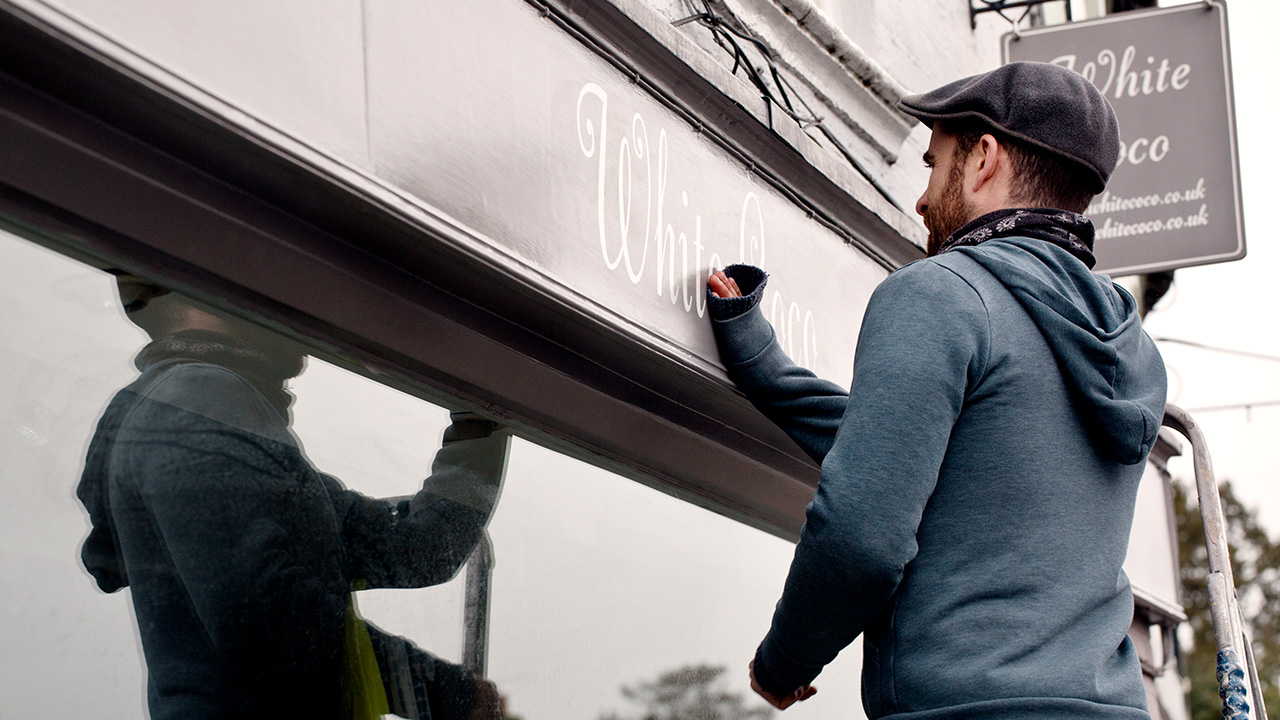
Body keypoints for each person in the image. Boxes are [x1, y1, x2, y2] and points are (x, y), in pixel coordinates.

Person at [707, 61, 1166, 719]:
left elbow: (863, 533)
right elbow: (924, 454)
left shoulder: (941, 293)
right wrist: (759, 361)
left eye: (933, 163)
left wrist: (785, 662)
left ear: (983, 160)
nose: (922, 200)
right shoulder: (1128, 344)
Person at [76, 273, 510, 719]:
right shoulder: (197, 400)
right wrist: (441, 691)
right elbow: (267, 621)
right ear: (216, 289)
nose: (309, 315)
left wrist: (483, 426)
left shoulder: (225, 419)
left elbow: (418, 550)